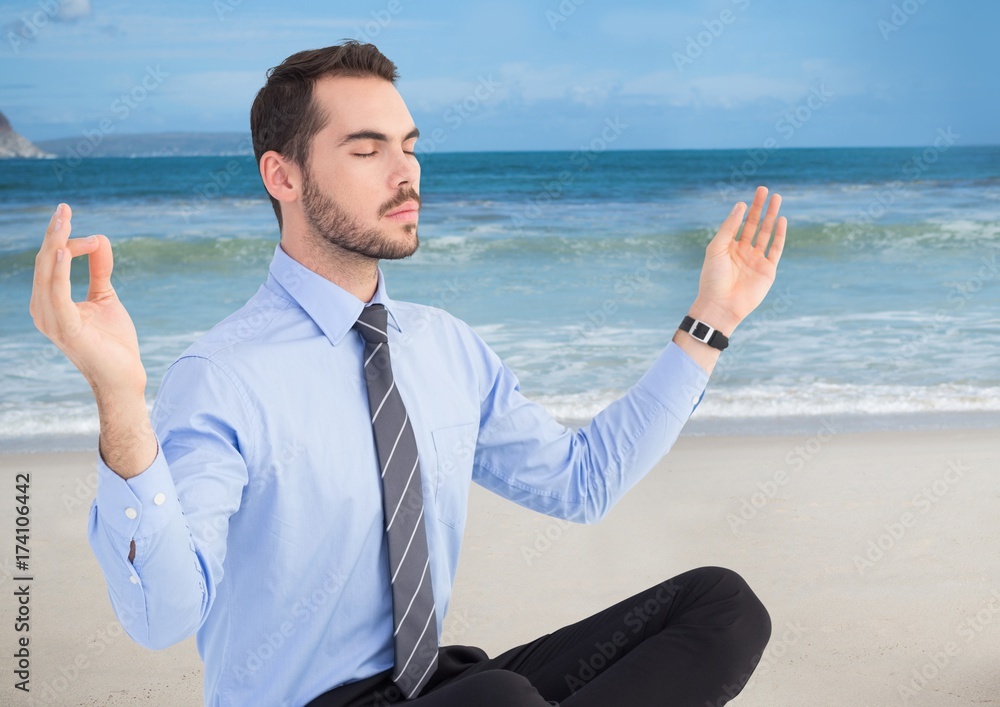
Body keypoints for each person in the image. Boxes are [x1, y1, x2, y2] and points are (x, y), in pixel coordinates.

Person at [29, 41, 786, 707]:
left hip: (443, 684)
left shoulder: (444, 347)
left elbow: (581, 483)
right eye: (366, 150)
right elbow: (163, 614)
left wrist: (709, 321)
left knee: (723, 606)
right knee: (499, 696)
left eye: (410, 145)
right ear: (283, 175)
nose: (406, 173)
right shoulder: (223, 376)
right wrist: (119, 400)